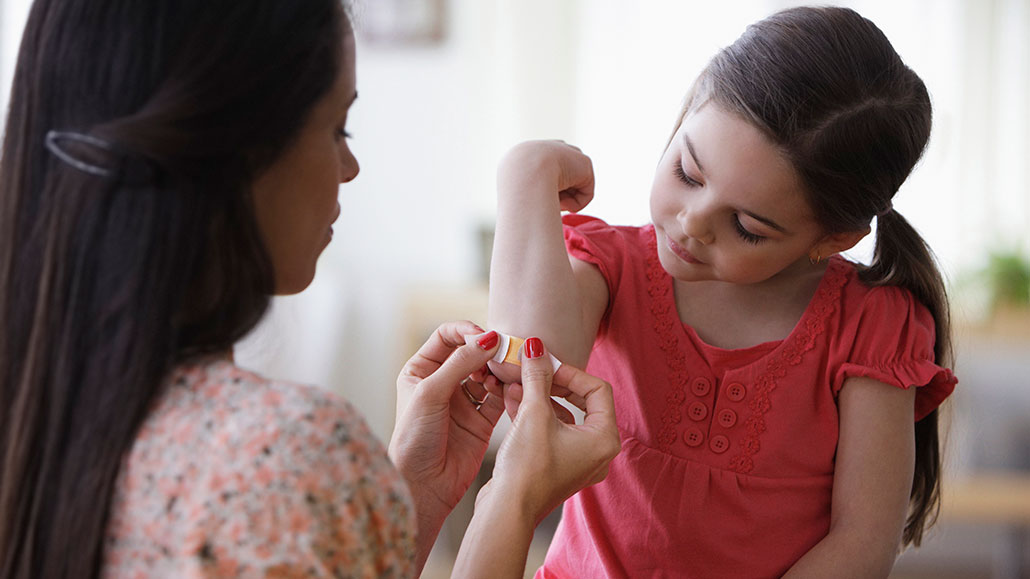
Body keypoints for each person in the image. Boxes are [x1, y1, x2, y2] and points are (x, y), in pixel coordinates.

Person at [0, 0, 620, 578]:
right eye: (337, 129)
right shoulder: (282, 457)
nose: (350, 168)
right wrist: (512, 501)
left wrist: (411, 494)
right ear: (232, 148)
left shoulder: (42, 406)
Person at [488, 6, 958, 577]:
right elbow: (531, 371)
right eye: (688, 173)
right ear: (688, 108)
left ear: (832, 238)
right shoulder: (614, 268)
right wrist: (525, 174)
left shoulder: (871, 326)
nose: (690, 223)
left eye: (748, 228)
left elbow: (861, 544)